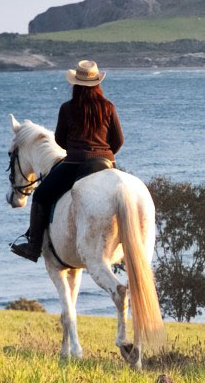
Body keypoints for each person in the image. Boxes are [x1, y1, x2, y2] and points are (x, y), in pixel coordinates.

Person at [11, 60, 125, 262]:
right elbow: (118, 140)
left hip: (75, 164)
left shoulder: (67, 108)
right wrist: (105, 154)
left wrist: (74, 150)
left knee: (40, 194)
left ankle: (33, 247)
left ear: (76, 84)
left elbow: (60, 140)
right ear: (97, 83)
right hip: (106, 164)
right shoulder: (108, 107)